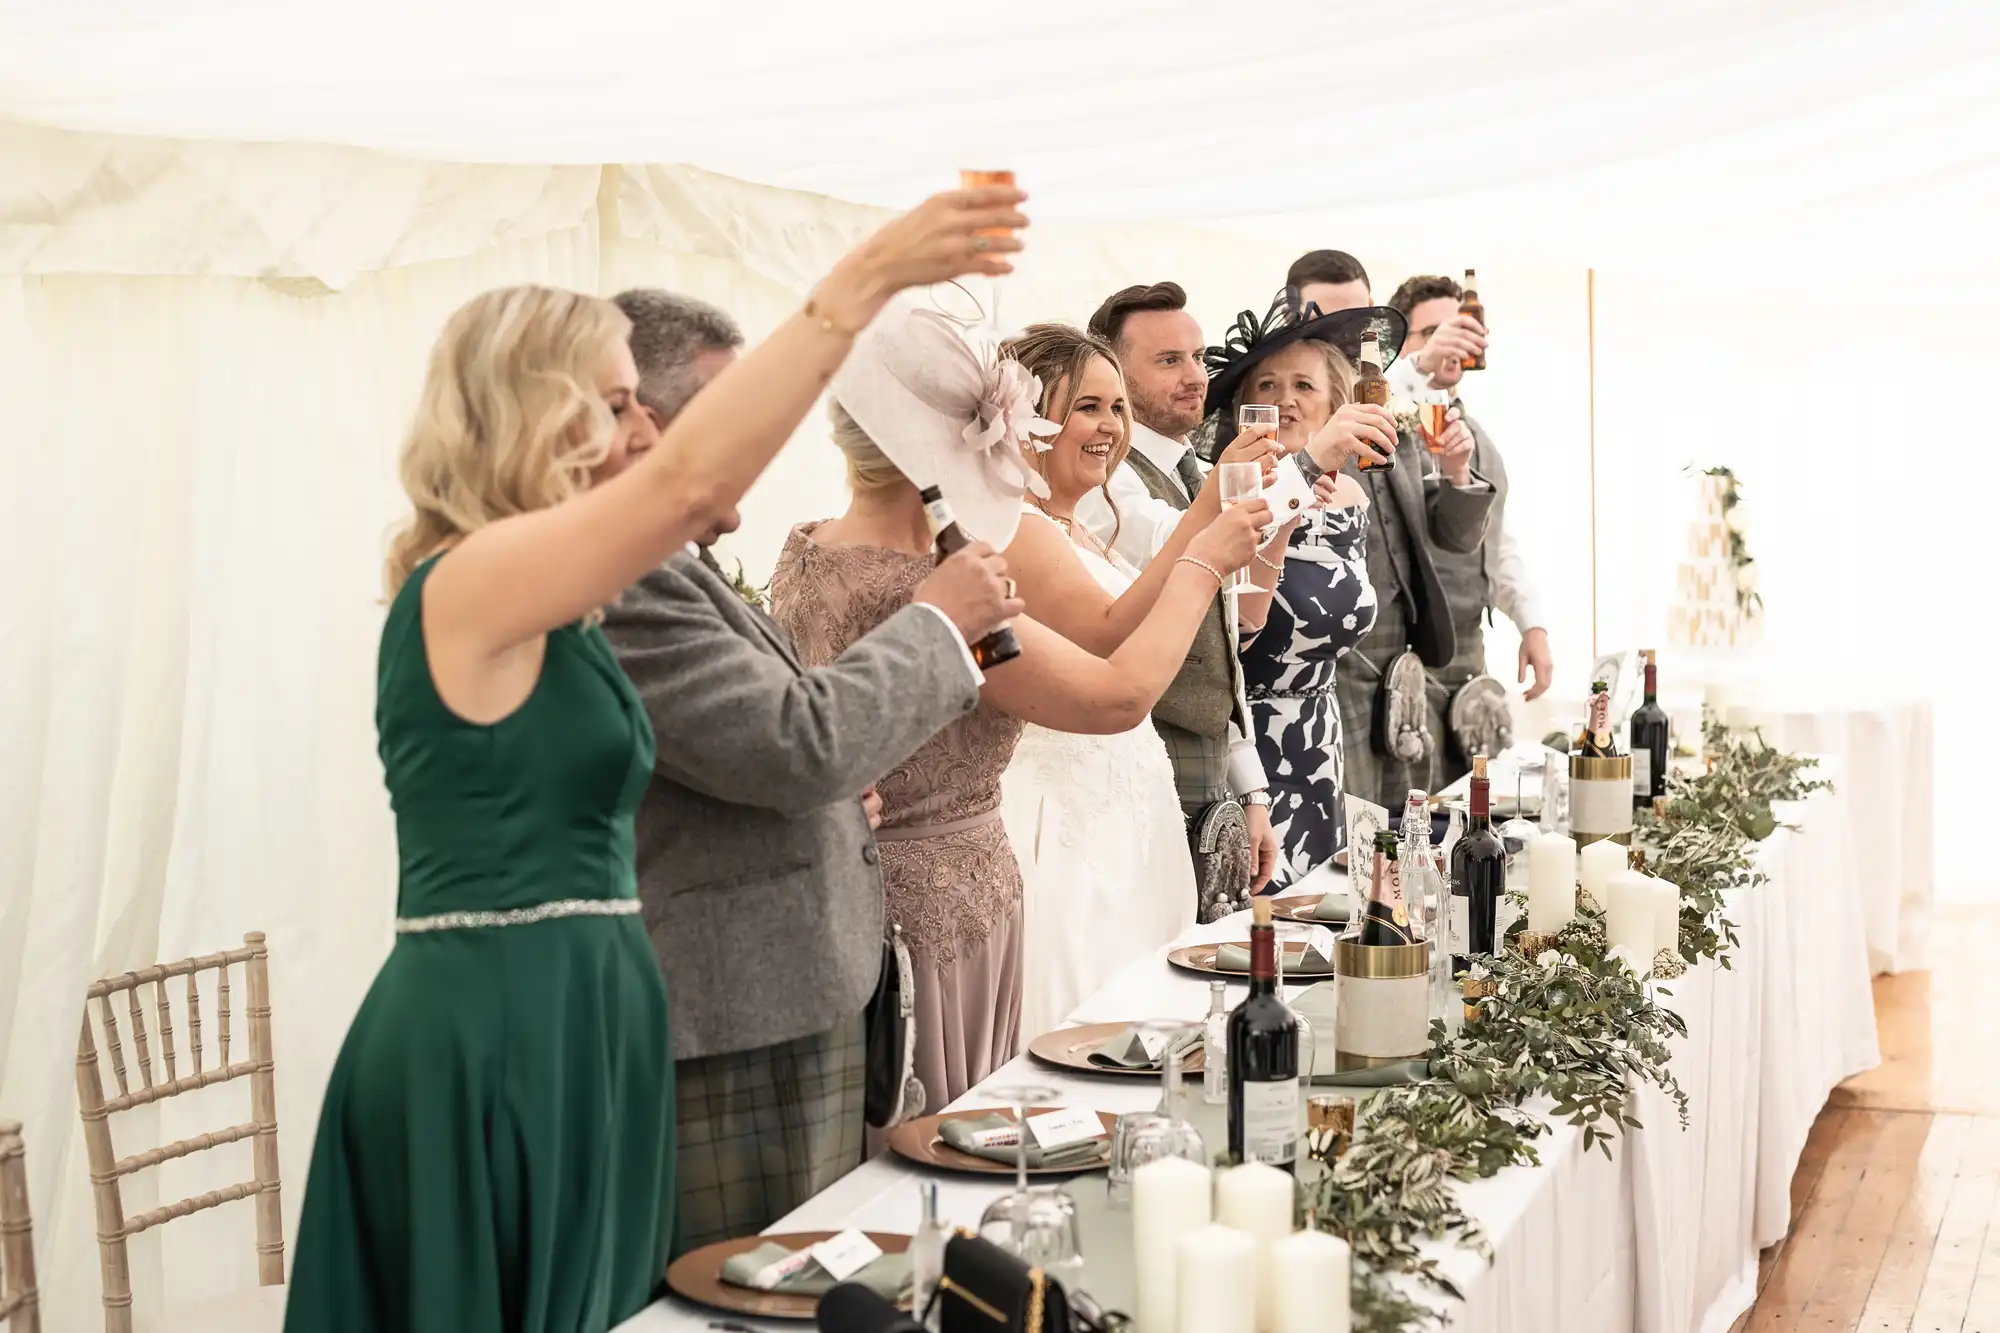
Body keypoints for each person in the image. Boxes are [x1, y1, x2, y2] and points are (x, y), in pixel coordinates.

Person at [284, 184, 1028, 1333]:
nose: (645, 434)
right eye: (619, 404)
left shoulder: (564, 598)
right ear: (530, 414)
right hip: (499, 1023)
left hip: (593, 1008)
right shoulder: (476, 576)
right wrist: (863, 281)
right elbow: (691, 484)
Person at [769, 302, 1268, 1115]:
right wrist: (1203, 564)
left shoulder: (810, 546)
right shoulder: (944, 591)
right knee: (963, 1132)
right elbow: (1118, 695)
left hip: (852, 899)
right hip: (942, 919)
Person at [599, 290, 1021, 1251]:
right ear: (649, 425)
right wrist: (940, 620)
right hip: (731, 1013)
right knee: (756, 1281)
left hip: (799, 992)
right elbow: (795, 743)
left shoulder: (683, 561)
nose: (762, 439)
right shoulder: (627, 575)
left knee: (818, 1270)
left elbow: (750, 751)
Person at [993, 323, 1208, 1037]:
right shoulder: (1013, 527)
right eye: (1088, 406)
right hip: (1062, 813)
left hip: (1131, 806)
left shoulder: (1078, 526)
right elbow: (1105, 630)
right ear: (1030, 418)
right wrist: (1207, 536)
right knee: (1076, 1024)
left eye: (1118, 408)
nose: (1110, 427)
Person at [1075, 283, 1284, 912]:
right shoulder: (1100, 476)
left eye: (1199, 356)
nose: (1196, 376)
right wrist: (1290, 472)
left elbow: (1225, 632)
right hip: (1142, 757)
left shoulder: (1194, 468)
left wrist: (1249, 787)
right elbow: (1176, 549)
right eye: (1170, 361)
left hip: (1210, 757)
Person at [1281, 251, 1498, 806]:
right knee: (1346, 852)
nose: (1346, 335)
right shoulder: (1289, 403)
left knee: (1407, 839)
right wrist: (1417, 367)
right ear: (1293, 318)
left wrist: (1455, 475)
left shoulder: (1393, 408)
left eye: (1359, 318)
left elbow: (1447, 536)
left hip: (1403, 664)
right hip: (1330, 667)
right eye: (1327, 319)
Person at [1203, 293, 1401, 887]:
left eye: (1302, 385)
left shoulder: (1352, 499)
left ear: (1337, 404)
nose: (1283, 399)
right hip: (1249, 740)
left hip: (1321, 732)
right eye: (1265, 385)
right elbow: (1238, 623)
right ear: (1244, 409)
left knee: (1323, 915)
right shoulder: (1233, 490)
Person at [1387, 272, 1553, 786]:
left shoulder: (1477, 434)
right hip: (1402, 664)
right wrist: (1416, 370)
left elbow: (1497, 542)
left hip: (1470, 651)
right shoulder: (1380, 418)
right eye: (1431, 332)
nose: (1448, 343)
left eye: (1457, 328)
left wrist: (1532, 622)